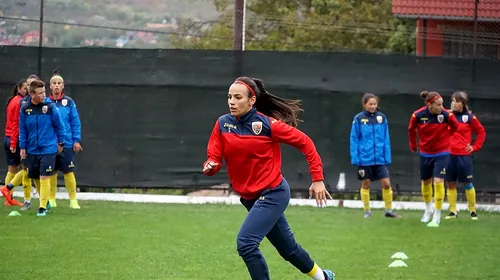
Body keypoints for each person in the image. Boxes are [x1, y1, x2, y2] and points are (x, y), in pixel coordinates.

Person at [202, 77, 335, 280]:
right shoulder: (222, 124)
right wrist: (210, 166)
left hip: (273, 193)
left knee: (246, 244)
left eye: (238, 97)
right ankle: (324, 278)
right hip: (250, 198)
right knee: (288, 249)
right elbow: (214, 157)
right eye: (229, 97)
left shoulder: (268, 125)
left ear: (252, 100)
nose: (231, 102)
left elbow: (306, 143)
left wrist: (317, 179)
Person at [0, 80, 66, 216]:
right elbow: (22, 129)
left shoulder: (50, 107)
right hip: (32, 149)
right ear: (32, 94)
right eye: (40, 93)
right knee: (35, 176)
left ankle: (42, 208)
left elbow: (60, 126)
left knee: (44, 176)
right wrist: (22, 147)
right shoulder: (25, 108)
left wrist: (61, 142)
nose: (44, 95)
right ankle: (45, 201)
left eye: (44, 92)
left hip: (48, 148)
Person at [408, 91, 459, 227]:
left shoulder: (446, 115)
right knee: (425, 182)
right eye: (438, 105)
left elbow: (455, 127)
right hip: (425, 153)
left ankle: (437, 216)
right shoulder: (418, 115)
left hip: (442, 153)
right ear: (429, 104)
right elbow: (411, 129)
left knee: (438, 181)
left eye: (442, 104)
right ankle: (428, 210)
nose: (441, 107)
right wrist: (413, 145)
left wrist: (446, 138)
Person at [349, 93, 400, 219]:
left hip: (379, 159)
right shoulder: (359, 119)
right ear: (364, 105)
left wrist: (386, 156)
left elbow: (386, 138)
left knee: (386, 183)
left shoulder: (382, 118)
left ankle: (388, 210)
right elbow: (354, 138)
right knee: (366, 184)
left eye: (375, 104)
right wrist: (355, 157)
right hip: (364, 159)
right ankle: (367, 211)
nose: (373, 106)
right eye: (370, 104)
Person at [445, 91, 485, 220]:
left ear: (463, 103)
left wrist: (474, 147)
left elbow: (481, 132)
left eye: (457, 101)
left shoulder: (469, 117)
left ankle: (472, 210)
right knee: (451, 183)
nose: (454, 103)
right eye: (452, 100)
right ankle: (453, 211)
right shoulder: (446, 115)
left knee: (468, 183)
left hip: (463, 155)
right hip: (449, 154)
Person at [48, 71, 82, 209]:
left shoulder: (69, 102)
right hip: (50, 144)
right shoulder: (46, 102)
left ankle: (73, 201)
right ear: (50, 86)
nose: (56, 86)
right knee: (51, 171)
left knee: (68, 171)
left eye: (59, 83)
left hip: (67, 143)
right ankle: (51, 199)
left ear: (63, 86)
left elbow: (75, 122)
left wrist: (76, 140)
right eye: (54, 83)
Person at [2, 79, 29, 207]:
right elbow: (15, 124)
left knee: (12, 169)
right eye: (25, 88)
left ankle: (8, 198)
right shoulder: (20, 102)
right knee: (26, 168)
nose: (27, 90)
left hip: (8, 137)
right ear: (19, 89)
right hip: (15, 138)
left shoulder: (12, 100)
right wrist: (14, 142)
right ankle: (8, 191)